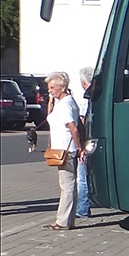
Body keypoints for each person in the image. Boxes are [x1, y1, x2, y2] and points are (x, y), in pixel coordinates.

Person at [43, 71, 83, 230]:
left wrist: (79, 146)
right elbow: (51, 118)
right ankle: (68, 219)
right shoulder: (63, 102)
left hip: (65, 150)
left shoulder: (65, 104)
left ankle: (63, 221)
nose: (50, 90)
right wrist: (50, 103)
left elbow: (73, 128)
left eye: (53, 87)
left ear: (63, 87)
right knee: (68, 184)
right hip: (62, 148)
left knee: (67, 185)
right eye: (49, 87)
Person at [76, 65, 94, 219]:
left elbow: (81, 122)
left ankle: (82, 208)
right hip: (96, 140)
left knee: (82, 177)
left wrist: (80, 144)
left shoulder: (85, 97)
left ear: (83, 82)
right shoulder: (98, 95)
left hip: (86, 141)